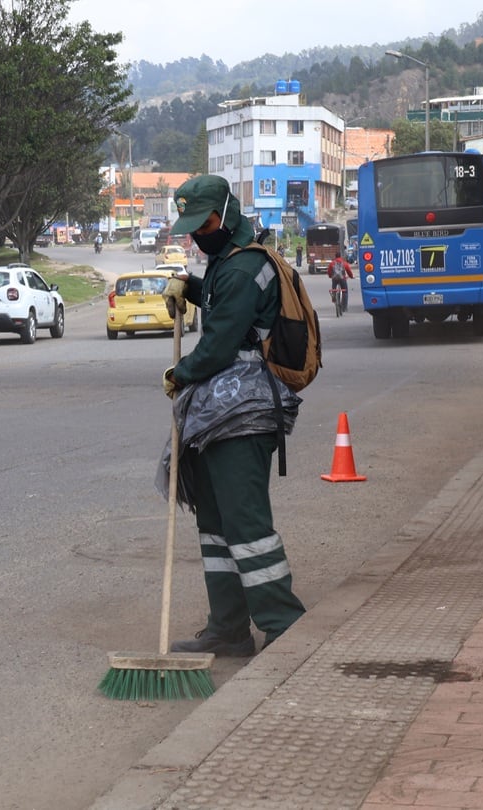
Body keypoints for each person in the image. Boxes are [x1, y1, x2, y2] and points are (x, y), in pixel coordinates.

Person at [160, 174, 306, 656]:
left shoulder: (244, 268)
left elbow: (221, 344)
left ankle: (283, 624)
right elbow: (227, 304)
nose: (198, 233)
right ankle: (228, 628)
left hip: (244, 412)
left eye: (204, 223)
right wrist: (191, 287)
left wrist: (179, 373)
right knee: (217, 523)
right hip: (223, 412)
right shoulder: (229, 263)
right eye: (193, 226)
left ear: (226, 213)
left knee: (244, 525)